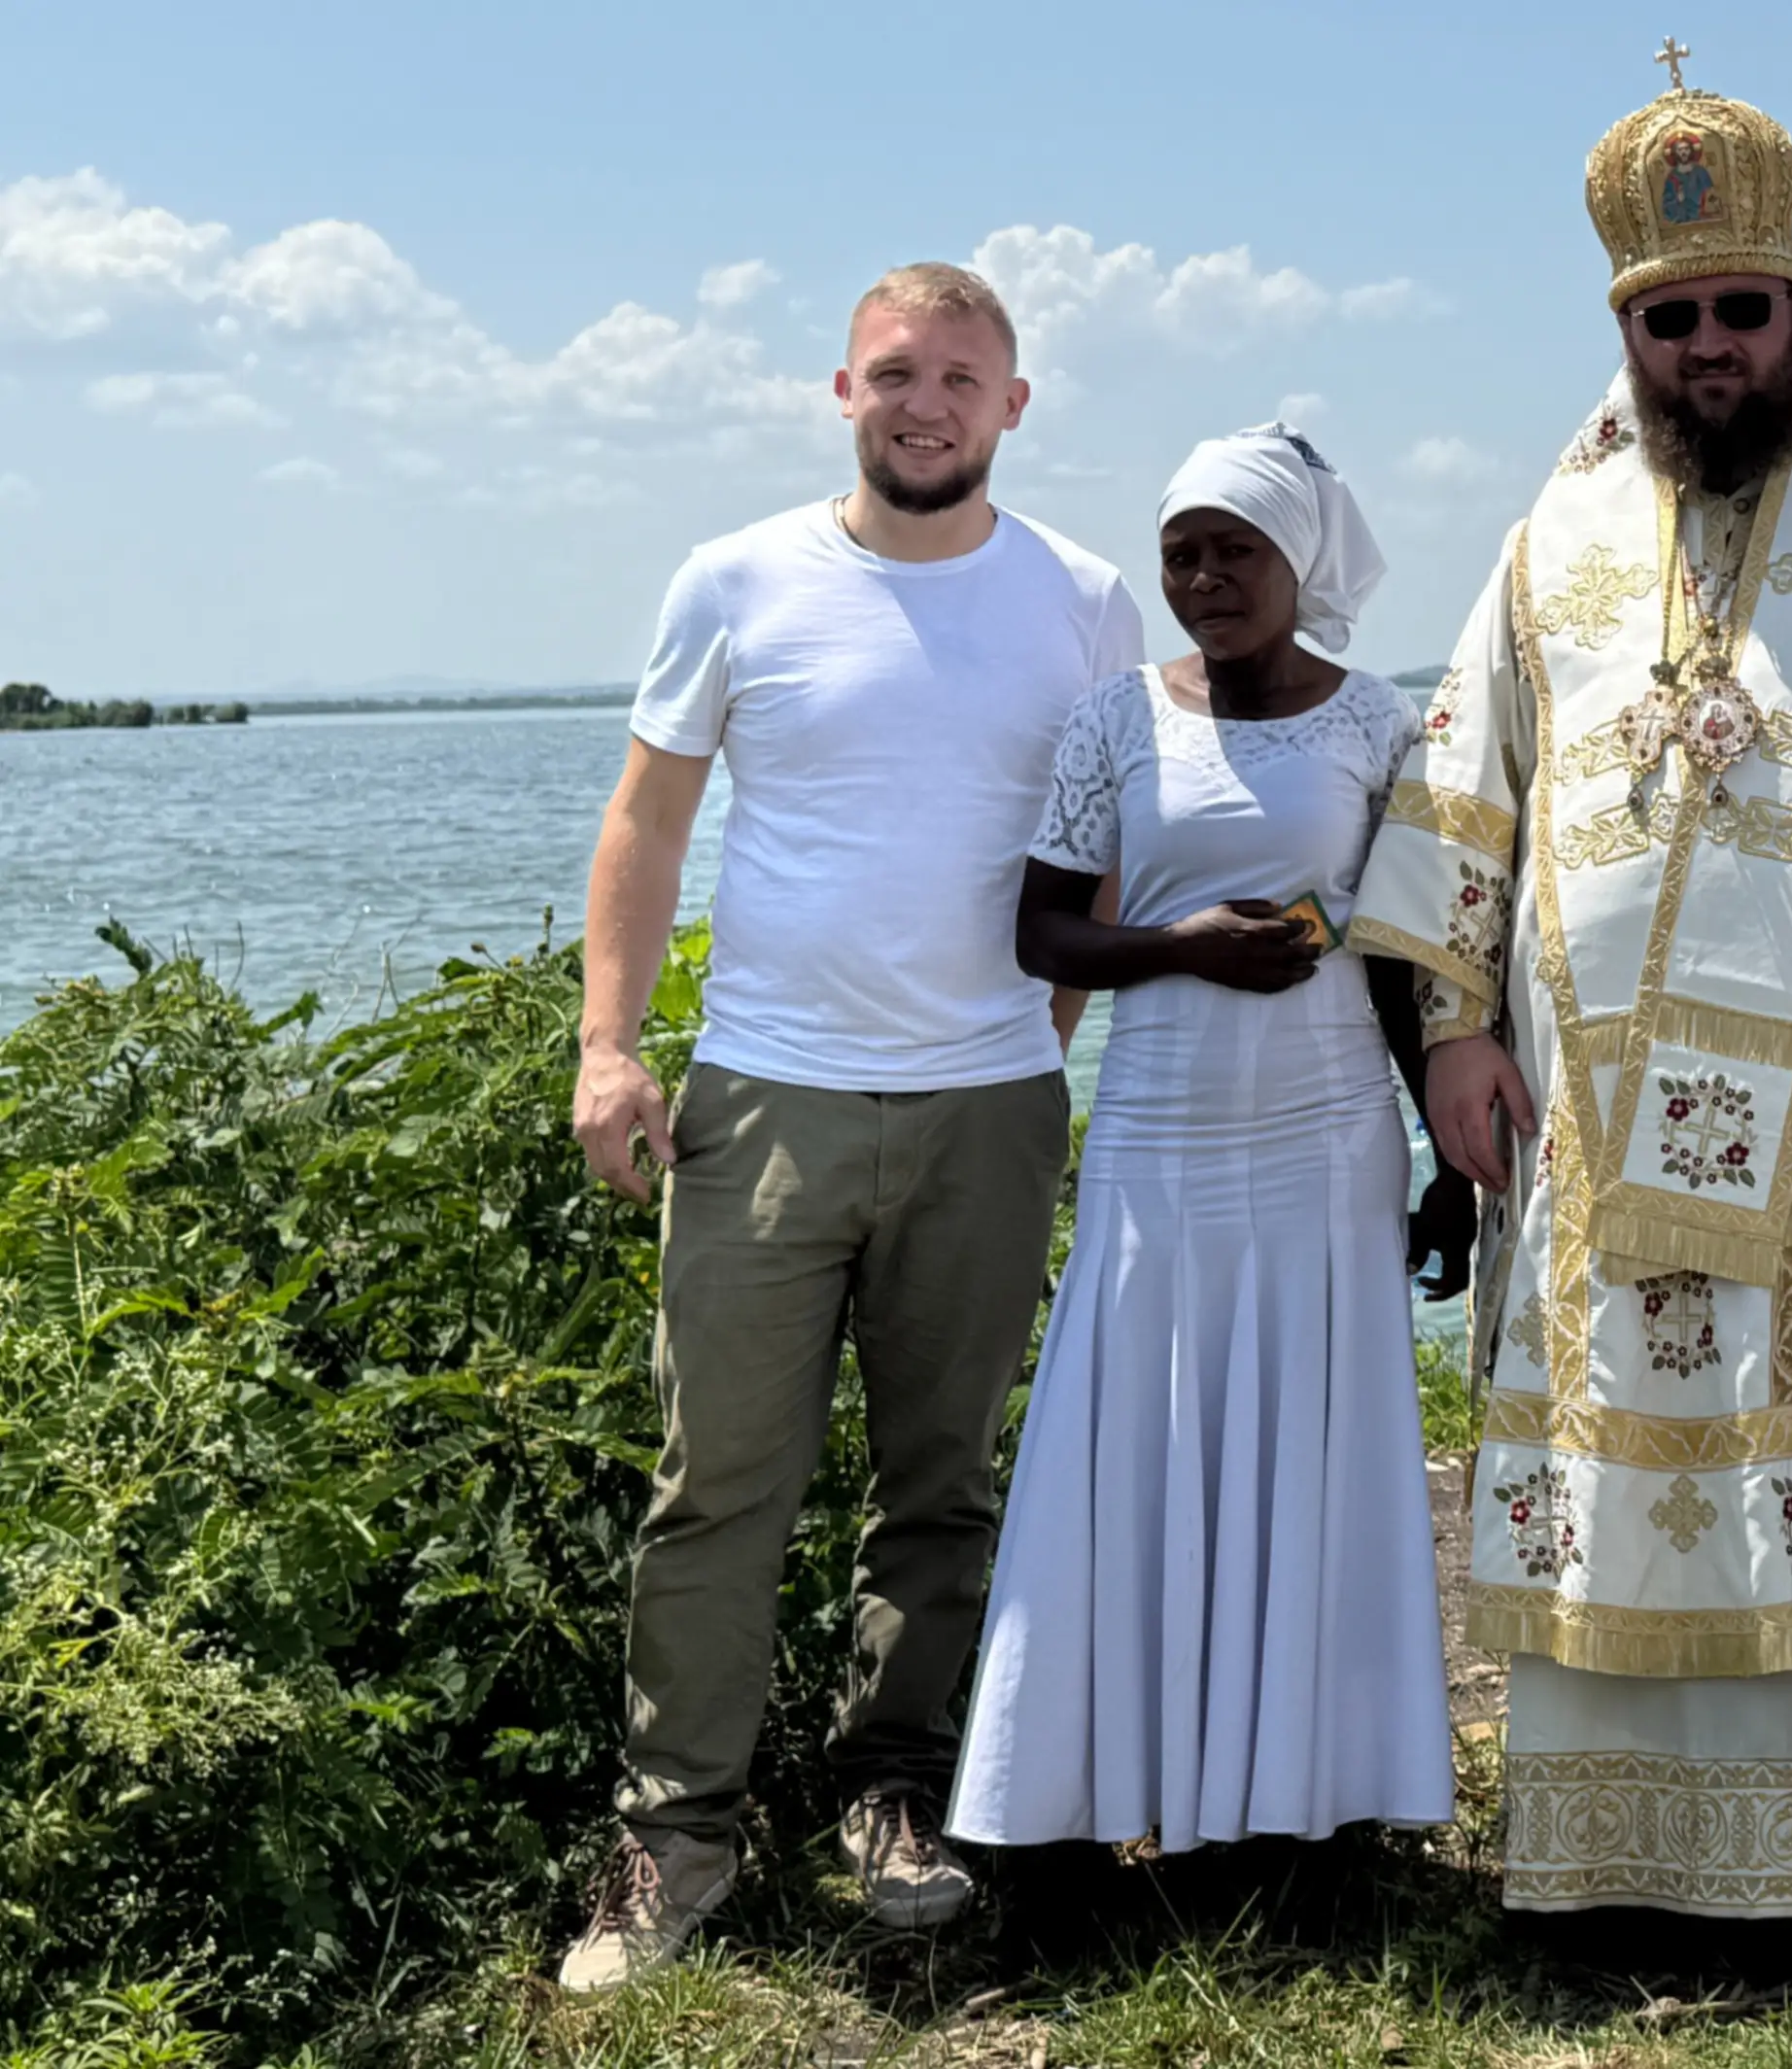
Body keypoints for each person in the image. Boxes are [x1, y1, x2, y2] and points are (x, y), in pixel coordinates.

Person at [1346, 57, 1792, 1920]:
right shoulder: (1546, 543)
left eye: (1740, 312)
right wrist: (1455, 1029)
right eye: (1670, 321)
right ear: (1626, 334)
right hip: (1584, 1100)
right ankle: (1610, 1859)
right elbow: (1459, 788)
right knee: (1625, 1436)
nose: (1708, 350)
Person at [560, 263, 1145, 1991]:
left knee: (941, 1488)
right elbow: (647, 825)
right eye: (896, 372)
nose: (926, 402)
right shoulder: (736, 578)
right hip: (765, 1102)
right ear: (841, 390)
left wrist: (1036, 1041)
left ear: (1013, 406)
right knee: (716, 1487)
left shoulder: (1086, 601)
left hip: (988, 1112)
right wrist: (610, 1046)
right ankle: (671, 1846)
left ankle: (895, 1797)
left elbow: (1100, 844)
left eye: (961, 377)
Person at [946, 427, 1468, 1857]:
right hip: (1158, 1129)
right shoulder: (1114, 719)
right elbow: (1041, 928)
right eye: (1182, 551)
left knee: (1323, 1446)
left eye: (1235, 549)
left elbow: (1403, 963)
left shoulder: (1378, 726)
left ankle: (1322, 1809)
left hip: (1327, 1124)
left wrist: (1446, 1165)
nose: (1203, 577)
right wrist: (1176, 946)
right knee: (1127, 1435)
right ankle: (1082, 1798)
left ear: (1302, 561)